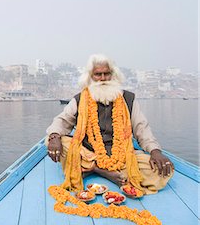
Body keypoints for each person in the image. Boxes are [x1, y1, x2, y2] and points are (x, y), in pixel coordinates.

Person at [46, 54, 173, 194]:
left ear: (113, 75)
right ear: (90, 77)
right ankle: (100, 169)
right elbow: (62, 121)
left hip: (122, 155)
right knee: (53, 140)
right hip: (89, 153)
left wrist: (155, 151)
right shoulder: (80, 98)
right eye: (97, 74)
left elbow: (142, 129)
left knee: (163, 172)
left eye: (106, 74)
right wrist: (54, 136)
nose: (102, 78)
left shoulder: (128, 99)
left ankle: (92, 169)